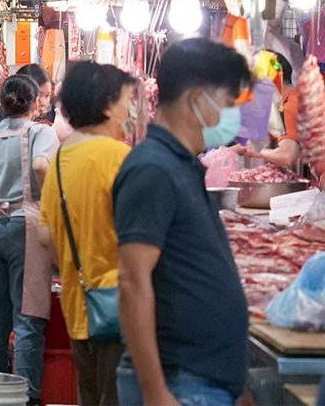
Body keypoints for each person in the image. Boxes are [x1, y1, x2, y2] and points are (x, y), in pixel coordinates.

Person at [114, 38, 252, 406]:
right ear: (197, 100)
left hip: (201, 382)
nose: (232, 116)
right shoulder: (152, 168)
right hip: (180, 384)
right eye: (228, 103)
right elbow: (132, 280)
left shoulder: (180, 165)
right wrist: (155, 391)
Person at [39, 62, 137, 406]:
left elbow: (46, 236)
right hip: (121, 306)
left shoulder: (60, 158)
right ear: (107, 106)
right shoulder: (119, 156)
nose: (130, 112)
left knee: (90, 395)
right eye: (126, 102)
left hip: (79, 304)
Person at [0, 75, 58, 404]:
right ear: (35, 103)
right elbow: (42, 166)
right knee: (27, 318)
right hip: (23, 224)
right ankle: (26, 395)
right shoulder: (41, 133)